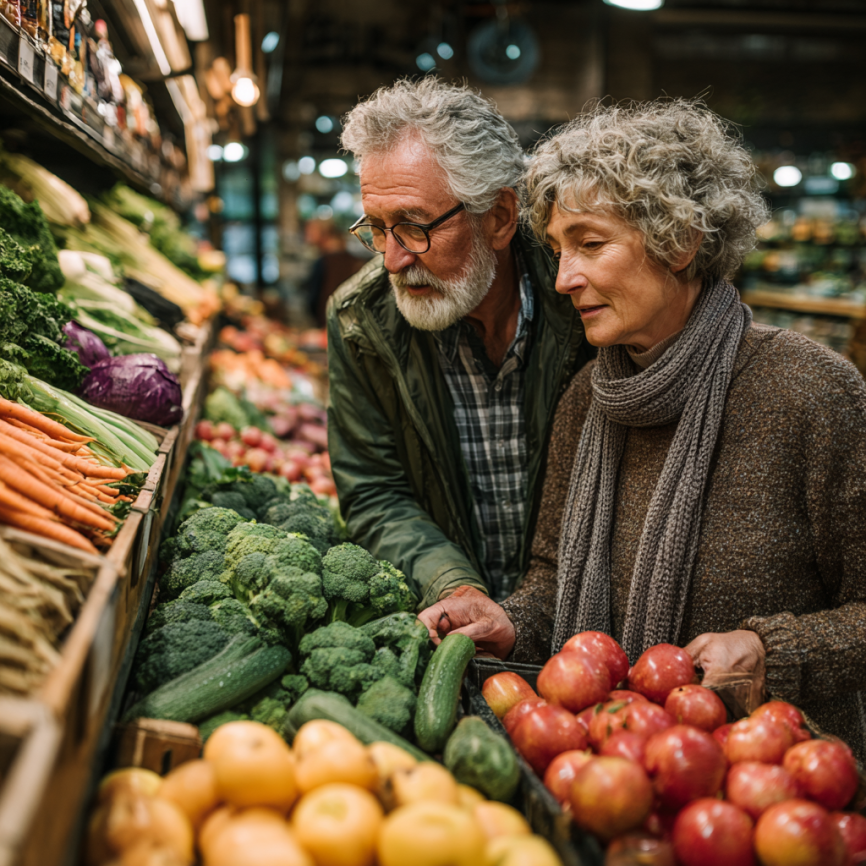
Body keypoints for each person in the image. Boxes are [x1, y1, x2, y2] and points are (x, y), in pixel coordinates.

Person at [419, 99, 866, 756]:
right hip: (617, 775)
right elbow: (552, 576)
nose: (565, 278)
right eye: (558, 249)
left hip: (775, 788)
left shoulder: (811, 392)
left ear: (681, 239)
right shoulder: (588, 399)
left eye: (591, 244)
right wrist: (506, 622)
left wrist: (773, 652)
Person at [327, 78, 592, 608]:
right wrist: (451, 584)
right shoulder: (361, 321)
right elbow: (376, 491)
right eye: (377, 228)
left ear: (497, 217)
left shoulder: (584, 300)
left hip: (588, 627)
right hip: (457, 628)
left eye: (414, 227)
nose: (393, 260)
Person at [303, 218, 365, 327]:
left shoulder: (324, 262)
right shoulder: (352, 259)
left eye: (311, 231)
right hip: (351, 324)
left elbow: (314, 300)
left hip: (329, 324)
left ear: (324, 232)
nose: (307, 235)